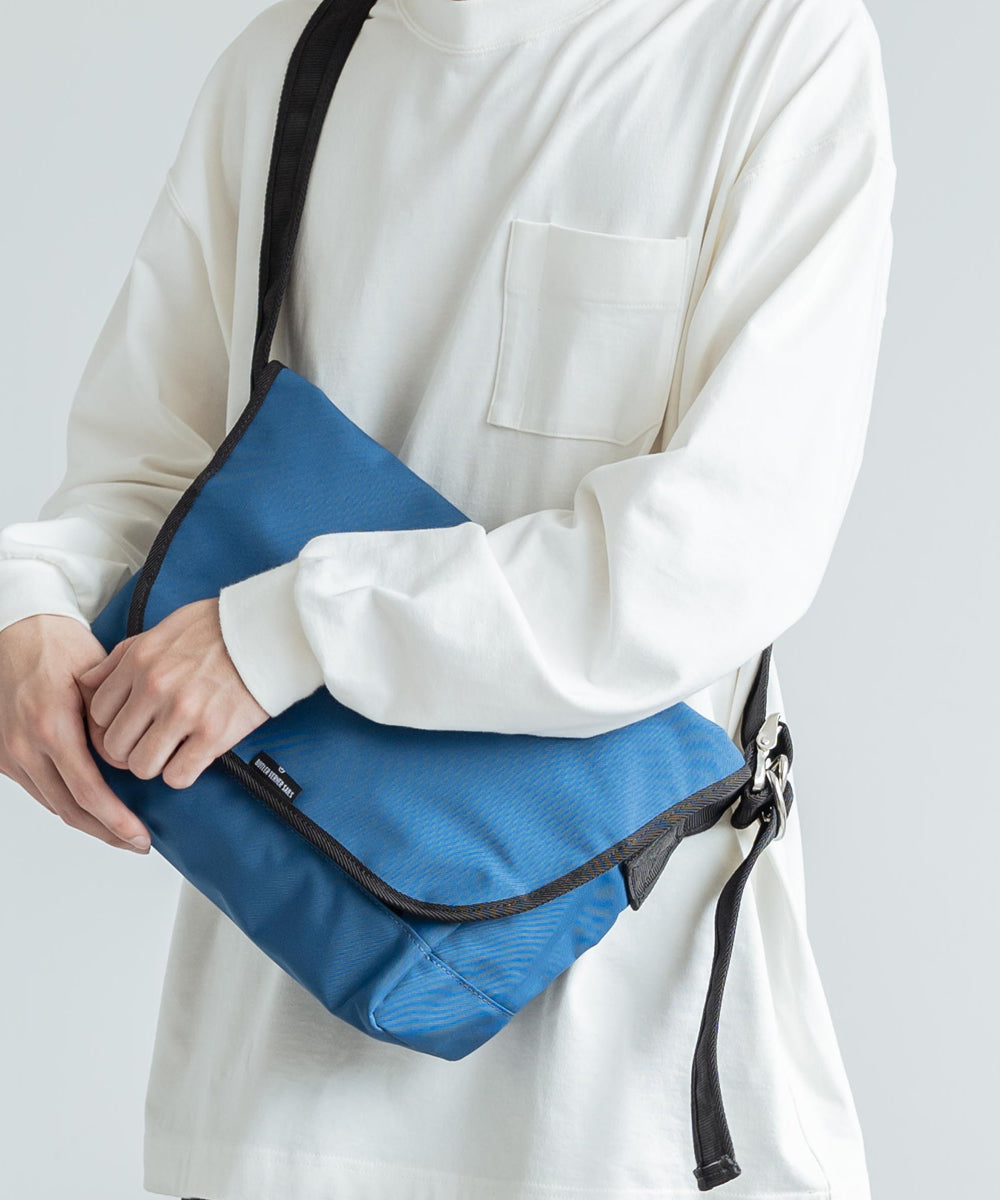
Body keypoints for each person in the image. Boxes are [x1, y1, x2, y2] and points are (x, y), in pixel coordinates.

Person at [0, 0, 896, 1197]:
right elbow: (145, 481)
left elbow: (714, 551)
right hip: (272, 1087)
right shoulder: (289, 64)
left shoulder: (767, 45)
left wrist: (293, 627)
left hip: (620, 1094)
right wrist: (29, 608)